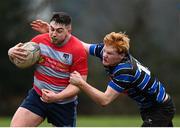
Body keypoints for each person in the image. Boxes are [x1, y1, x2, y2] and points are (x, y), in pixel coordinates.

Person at [30, 21, 176, 127]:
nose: (104, 55)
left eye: (109, 53)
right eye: (104, 50)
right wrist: (54, 35)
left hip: (159, 108)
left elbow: (104, 100)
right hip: (150, 107)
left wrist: (81, 83)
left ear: (121, 55)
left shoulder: (124, 71)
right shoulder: (106, 50)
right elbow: (80, 46)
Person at [8, 12, 88, 127]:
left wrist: (57, 97)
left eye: (59, 31)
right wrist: (11, 53)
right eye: (51, 29)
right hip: (37, 96)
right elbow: (20, 60)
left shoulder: (77, 50)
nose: (53, 34)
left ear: (69, 31)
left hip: (63, 104)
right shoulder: (38, 41)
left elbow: (79, 84)